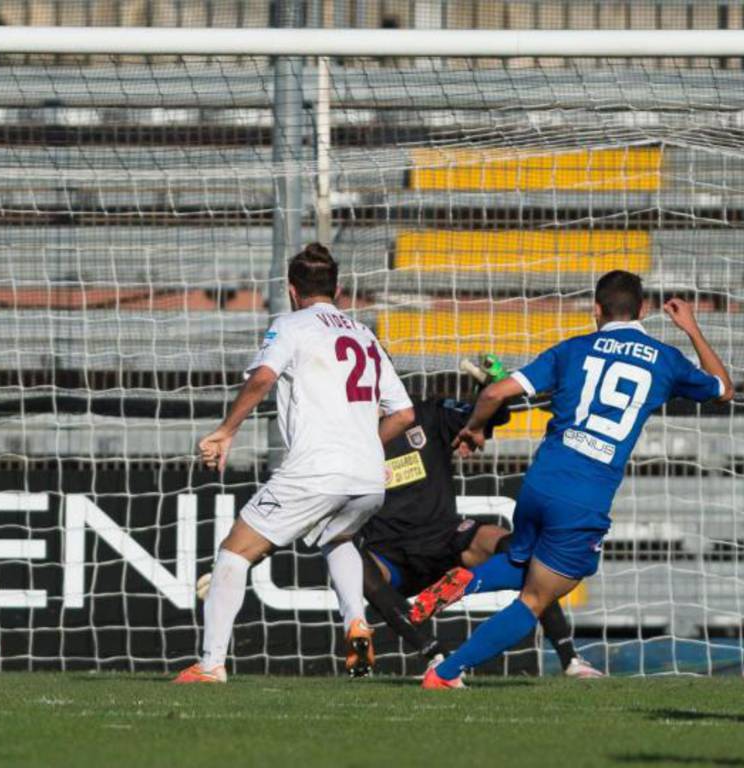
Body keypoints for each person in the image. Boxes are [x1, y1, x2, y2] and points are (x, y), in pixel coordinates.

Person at [410, 271, 732, 689]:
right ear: (645, 310)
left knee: (521, 562)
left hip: (539, 483)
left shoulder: (572, 350)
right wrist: (690, 328)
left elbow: (492, 394)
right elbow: (723, 389)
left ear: (596, 309)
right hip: (584, 495)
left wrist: (473, 427)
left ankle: (467, 580)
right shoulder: (664, 359)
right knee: (536, 598)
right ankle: (447, 673)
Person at [174, 243, 415, 683]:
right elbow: (404, 413)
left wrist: (226, 430)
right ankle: (356, 623)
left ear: (291, 289)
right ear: (338, 289)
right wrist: (366, 445)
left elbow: (263, 377)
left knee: (233, 553)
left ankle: (210, 665)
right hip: (367, 476)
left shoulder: (290, 324)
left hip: (316, 470)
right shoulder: (364, 333)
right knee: (337, 537)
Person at [358, 389, 602, 679]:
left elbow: (494, 415)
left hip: (446, 539)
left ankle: (569, 658)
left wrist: (491, 388)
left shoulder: (429, 413)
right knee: (354, 565)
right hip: (390, 555)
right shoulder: (345, 436)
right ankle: (435, 655)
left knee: (517, 546)